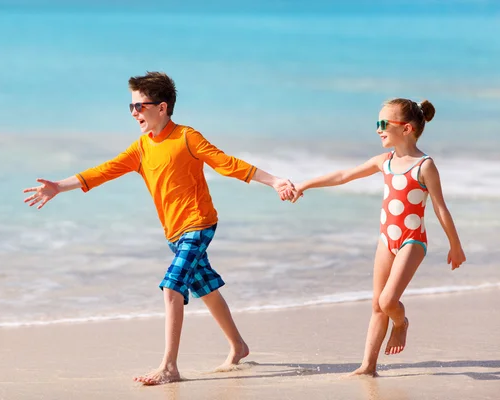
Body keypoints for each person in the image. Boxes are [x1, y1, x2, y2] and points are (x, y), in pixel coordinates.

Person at [23, 72, 295, 385]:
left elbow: (226, 163)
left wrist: (274, 181)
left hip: (199, 223)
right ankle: (238, 346)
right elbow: (104, 171)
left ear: (162, 107)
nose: (135, 113)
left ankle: (169, 366)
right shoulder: (141, 148)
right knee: (205, 288)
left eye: (140, 106)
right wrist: (59, 186)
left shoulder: (187, 137)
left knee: (172, 286)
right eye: (132, 107)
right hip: (174, 233)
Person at [290, 98, 466, 377]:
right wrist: (304, 184)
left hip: (412, 241)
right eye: (377, 124)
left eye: (383, 124)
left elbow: (440, 207)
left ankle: (401, 323)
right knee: (377, 304)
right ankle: (368, 366)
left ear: (406, 128)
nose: (378, 129)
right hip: (386, 239)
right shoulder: (384, 161)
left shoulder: (424, 165)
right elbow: (343, 175)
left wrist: (455, 246)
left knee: (388, 302)